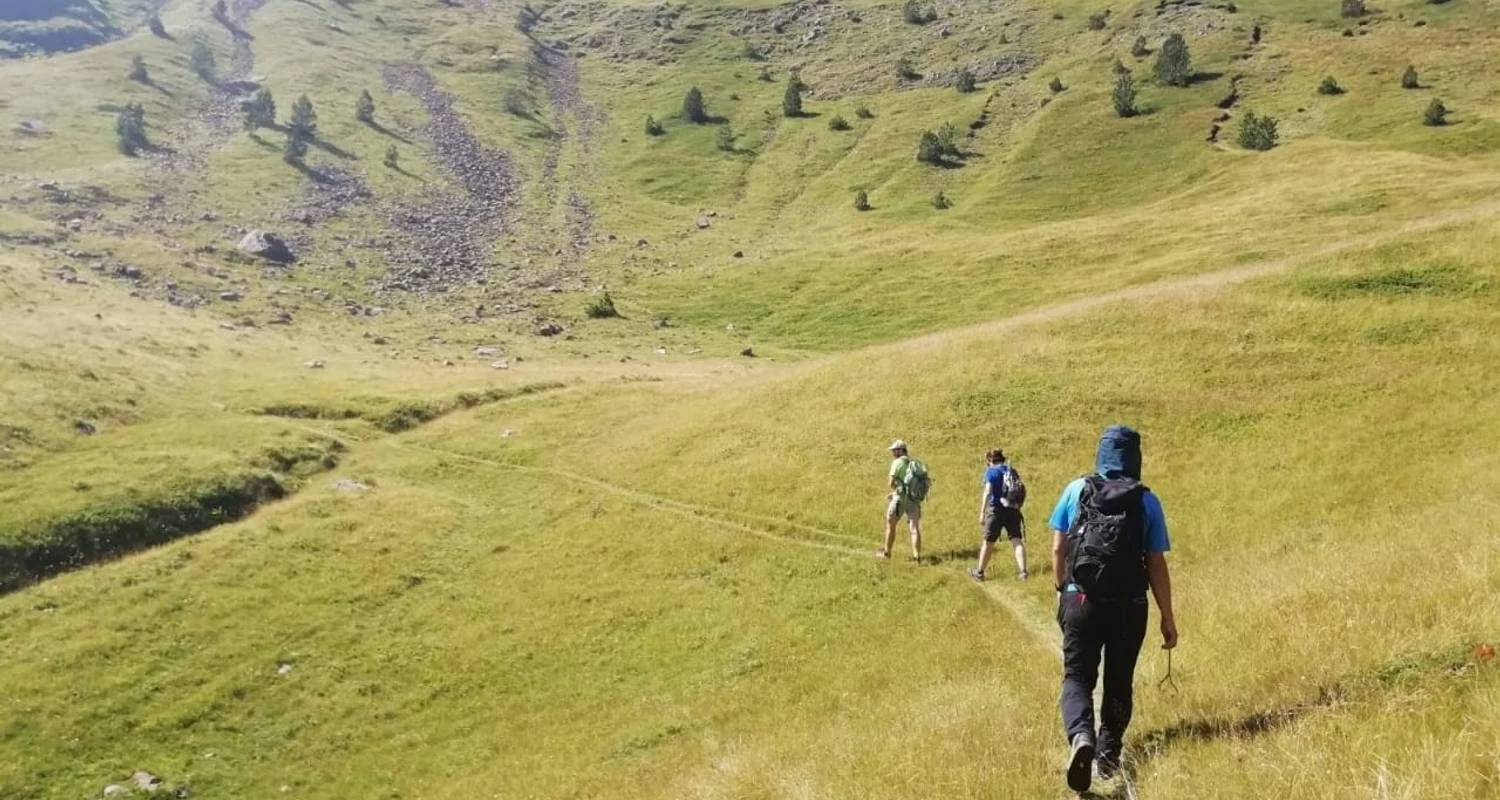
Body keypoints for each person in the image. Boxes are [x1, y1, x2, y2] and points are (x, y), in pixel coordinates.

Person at [1048, 425, 1177, 792]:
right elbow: (1155, 563)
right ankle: (1108, 756)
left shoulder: (1077, 489)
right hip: (1129, 606)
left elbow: (1058, 549)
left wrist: (1061, 590)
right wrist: (1167, 617)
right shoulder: (1147, 501)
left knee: (1077, 676)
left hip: (1081, 599)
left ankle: (1081, 736)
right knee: (1119, 679)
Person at [969, 449, 1028, 581]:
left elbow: (988, 491)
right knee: (1016, 540)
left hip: (995, 510)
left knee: (988, 542)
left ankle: (979, 572)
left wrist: (982, 512)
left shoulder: (991, 472)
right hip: (1012, 509)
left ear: (989, 460)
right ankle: (1023, 572)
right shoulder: (1011, 470)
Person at [879, 439, 923, 562]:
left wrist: (895, 492)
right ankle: (917, 557)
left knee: (891, 525)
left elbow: (891, 482)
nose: (893, 453)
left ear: (900, 451)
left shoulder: (897, 463)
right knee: (914, 528)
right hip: (914, 499)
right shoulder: (913, 463)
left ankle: (887, 553)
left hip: (900, 499)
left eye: (894, 451)